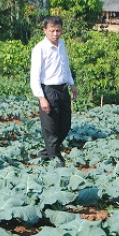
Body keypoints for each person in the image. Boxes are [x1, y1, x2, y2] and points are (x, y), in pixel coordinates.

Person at [30, 16, 78, 165]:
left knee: (65, 125)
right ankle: (55, 161)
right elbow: (34, 76)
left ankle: (46, 153)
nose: (55, 34)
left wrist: (72, 84)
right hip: (48, 91)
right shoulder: (40, 49)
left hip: (62, 89)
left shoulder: (61, 44)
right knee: (50, 129)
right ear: (45, 30)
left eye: (58, 30)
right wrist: (41, 97)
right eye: (52, 31)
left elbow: (65, 66)